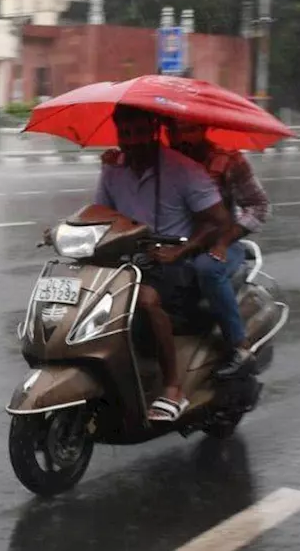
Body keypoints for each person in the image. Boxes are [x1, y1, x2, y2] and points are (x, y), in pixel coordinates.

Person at [92, 105, 232, 423]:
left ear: (154, 131)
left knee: (144, 300)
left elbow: (218, 221)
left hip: (173, 261)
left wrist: (181, 252)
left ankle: (173, 388)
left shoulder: (182, 170)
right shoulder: (112, 170)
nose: (133, 140)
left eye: (140, 132)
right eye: (126, 134)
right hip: (130, 259)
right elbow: (99, 213)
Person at [104, 119, 272, 378]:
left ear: (204, 128)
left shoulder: (228, 160)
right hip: (171, 242)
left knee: (206, 269)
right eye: (173, 130)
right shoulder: (163, 162)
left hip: (217, 243)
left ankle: (239, 346)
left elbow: (258, 206)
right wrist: (122, 161)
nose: (180, 136)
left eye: (189, 129)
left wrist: (224, 241)